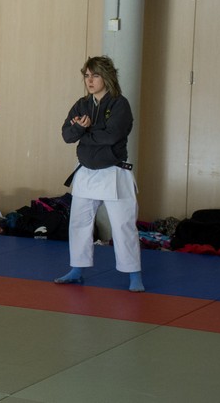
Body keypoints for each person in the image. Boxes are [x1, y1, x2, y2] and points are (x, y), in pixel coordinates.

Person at [55, 56, 144, 292]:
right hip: (86, 173)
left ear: (107, 77)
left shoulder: (119, 104)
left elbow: (112, 136)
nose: (90, 80)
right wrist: (79, 129)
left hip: (115, 173)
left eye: (95, 75)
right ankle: (77, 269)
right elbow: (67, 135)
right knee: (79, 223)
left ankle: (134, 275)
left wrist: (83, 132)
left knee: (123, 225)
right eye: (86, 75)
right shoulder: (81, 104)